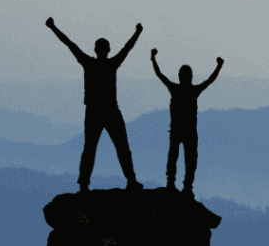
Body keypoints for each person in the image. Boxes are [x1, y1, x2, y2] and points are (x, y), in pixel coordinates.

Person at [46, 17, 143, 192]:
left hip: (94, 112)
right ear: (108, 50)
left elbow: (69, 43)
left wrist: (53, 27)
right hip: (111, 111)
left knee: (90, 149)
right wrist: (137, 32)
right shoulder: (112, 63)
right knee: (121, 147)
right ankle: (131, 180)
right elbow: (127, 48)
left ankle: (84, 185)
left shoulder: (88, 63)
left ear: (96, 50)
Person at [150, 49, 223, 195]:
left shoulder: (176, 89)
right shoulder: (193, 91)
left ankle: (173, 184)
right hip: (188, 132)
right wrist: (219, 66)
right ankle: (186, 187)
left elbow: (160, 75)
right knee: (189, 160)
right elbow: (210, 80)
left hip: (177, 130)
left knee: (175, 157)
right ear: (190, 76)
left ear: (180, 76)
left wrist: (153, 59)